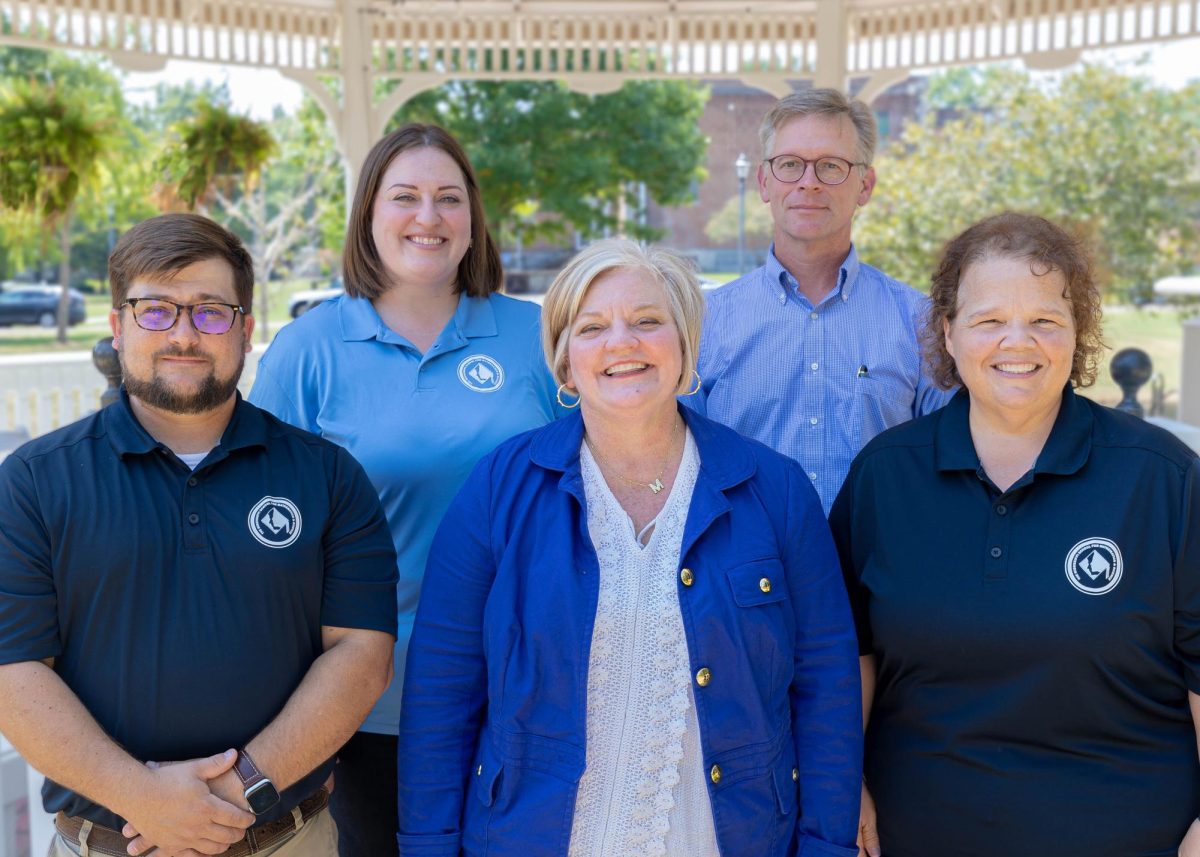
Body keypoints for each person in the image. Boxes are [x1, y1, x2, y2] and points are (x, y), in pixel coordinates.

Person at [395, 238, 862, 857]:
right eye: (592, 328)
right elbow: (441, 688)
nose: (622, 342)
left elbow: (827, 683)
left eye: (648, 321)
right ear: (564, 363)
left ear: (685, 345)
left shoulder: (774, 490)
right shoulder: (498, 489)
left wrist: (827, 845)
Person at [0, 213, 398, 857]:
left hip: (285, 841)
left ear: (244, 329)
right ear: (117, 326)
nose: (184, 334)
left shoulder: (326, 476)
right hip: (107, 845)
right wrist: (142, 797)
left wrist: (236, 795)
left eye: (211, 311)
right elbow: (13, 672)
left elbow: (361, 654)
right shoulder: (34, 483)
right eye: (156, 309)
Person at [830, 212, 1200, 857]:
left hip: (1129, 834)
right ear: (947, 333)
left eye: (1044, 321)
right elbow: (847, 654)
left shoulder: (1162, 477)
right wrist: (846, 783)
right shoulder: (885, 477)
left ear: (1078, 332)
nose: (1017, 342)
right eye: (988, 320)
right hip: (921, 832)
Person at [249, 123, 560, 856]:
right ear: (368, 214)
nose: (429, 216)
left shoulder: (540, 336)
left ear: (473, 218)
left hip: (534, 688)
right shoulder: (310, 351)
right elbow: (259, 543)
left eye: (449, 197)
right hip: (371, 706)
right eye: (407, 196)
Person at [687, 88, 952, 514]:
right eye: (790, 165)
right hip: (751, 568)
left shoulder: (918, 321)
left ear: (864, 185)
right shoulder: (705, 322)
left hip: (875, 571)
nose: (808, 182)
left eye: (831, 166)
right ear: (764, 182)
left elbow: (951, 457)